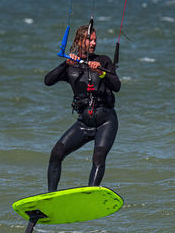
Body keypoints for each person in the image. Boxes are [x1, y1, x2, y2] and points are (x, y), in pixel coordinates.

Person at [44, 24, 121, 192]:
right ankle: (51, 196)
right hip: (83, 123)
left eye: (95, 40)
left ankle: (90, 194)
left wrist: (101, 72)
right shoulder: (71, 66)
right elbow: (48, 81)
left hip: (106, 121)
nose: (93, 43)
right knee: (56, 153)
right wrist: (65, 64)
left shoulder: (103, 61)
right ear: (79, 41)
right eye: (89, 39)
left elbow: (116, 85)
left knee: (98, 157)